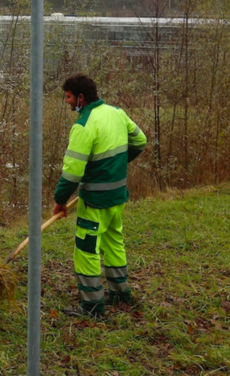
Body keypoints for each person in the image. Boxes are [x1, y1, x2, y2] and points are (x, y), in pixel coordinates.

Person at [52, 74, 146, 317]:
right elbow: (140, 140)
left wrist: (60, 200)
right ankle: (120, 295)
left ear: (81, 98)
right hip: (117, 197)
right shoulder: (117, 113)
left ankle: (92, 306)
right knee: (114, 242)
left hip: (94, 201)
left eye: (69, 97)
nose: (67, 102)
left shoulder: (83, 126)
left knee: (86, 249)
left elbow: (72, 172)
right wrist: (116, 165)